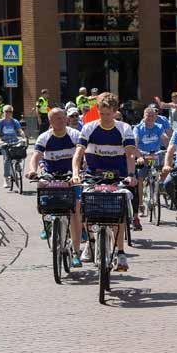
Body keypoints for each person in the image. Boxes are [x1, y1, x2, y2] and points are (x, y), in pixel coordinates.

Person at [71, 92, 137, 271]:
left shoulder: (124, 128)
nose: (104, 117)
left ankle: (120, 253)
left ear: (115, 112)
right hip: (94, 175)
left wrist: (131, 174)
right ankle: (90, 243)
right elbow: (78, 153)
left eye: (108, 114)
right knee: (83, 203)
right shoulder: (89, 128)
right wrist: (76, 173)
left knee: (118, 211)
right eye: (101, 113)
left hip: (118, 176)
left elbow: (130, 153)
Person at [26, 108, 83, 267]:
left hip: (72, 176)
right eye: (55, 119)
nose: (58, 121)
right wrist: (32, 170)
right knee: (41, 188)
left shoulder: (74, 135)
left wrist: (79, 172)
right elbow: (35, 156)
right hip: (51, 176)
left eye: (61, 118)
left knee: (75, 211)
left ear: (66, 119)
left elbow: (82, 153)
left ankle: (76, 252)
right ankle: (47, 221)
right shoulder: (45, 137)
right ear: (50, 122)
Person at [132, 107, 168, 229]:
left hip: (156, 155)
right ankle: (141, 204)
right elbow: (135, 142)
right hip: (143, 155)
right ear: (144, 116)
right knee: (140, 179)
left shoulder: (158, 127)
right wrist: (140, 156)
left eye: (152, 115)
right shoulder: (138, 128)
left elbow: (165, 138)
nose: (150, 118)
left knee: (163, 170)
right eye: (148, 115)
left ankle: (159, 188)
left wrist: (169, 148)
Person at [0, 105, 26, 188]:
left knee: (19, 155)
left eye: (10, 111)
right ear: (3, 112)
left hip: (14, 141)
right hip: (5, 142)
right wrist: (0, 141)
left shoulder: (14, 121)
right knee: (7, 159)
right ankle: (6, 178)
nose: (8, 113)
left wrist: (23, 137)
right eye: (6, 111)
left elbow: (20, 130)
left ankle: (16, 165)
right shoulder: (0, 122)